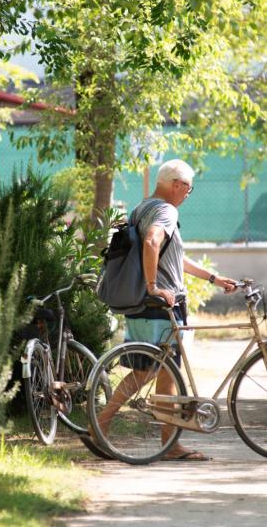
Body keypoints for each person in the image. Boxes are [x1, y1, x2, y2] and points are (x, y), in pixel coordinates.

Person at [97, 159, 236, 461]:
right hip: (161, 305)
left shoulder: (142, 208)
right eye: (189, 188)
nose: (188, 194)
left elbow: (170, 254)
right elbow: (151, 241)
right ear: (177, 185)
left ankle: (105, 426)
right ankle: (164, 443)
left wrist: (213, 278)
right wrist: (154, 286)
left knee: (147, 372)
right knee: (160, 374)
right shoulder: (167, 211)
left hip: (141, 304)